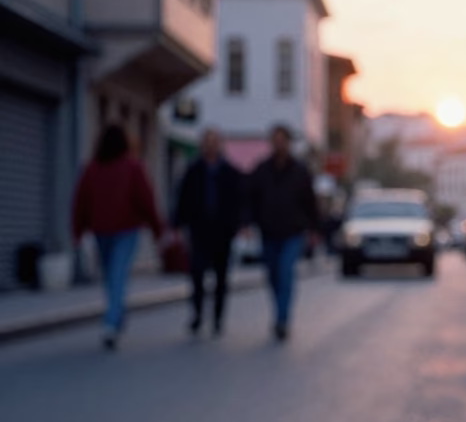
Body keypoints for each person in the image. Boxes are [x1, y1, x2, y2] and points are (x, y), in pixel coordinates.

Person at [72, 124, 163, 350]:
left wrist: (78, 230)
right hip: (126, 228)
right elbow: (146, 199)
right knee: (118, 274)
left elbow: (80, 202)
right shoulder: (133, 167)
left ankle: (114, 316)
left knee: (110, 275)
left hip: (101, 229)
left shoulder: (92, 169)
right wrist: (157, 228)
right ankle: (113, 320)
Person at [248, 124, 319, 340]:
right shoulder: (262, 169)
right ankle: (279, 311)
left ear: (288, 143)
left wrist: (315, 228)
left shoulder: (300, 170)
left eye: (282, 140)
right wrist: (247, 222)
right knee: (272, 276)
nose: (279, 144)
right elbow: (251, 198)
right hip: (268, 231)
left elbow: (310, 202)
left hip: (292, 232)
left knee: (285, 272)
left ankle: (282, 319)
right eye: (275, 140)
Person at [173, 128, 244, 336]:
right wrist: (178, 222)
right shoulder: (193, 170)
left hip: (222, 231)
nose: (210, 146)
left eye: (214, 142)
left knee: (221, 276)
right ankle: (197, 313)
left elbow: (238, 201)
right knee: (197, 273)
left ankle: (218, 316)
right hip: (199, 229)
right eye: (207, 142)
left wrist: (237, 224)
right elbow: (183, 198)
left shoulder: (230, 172)